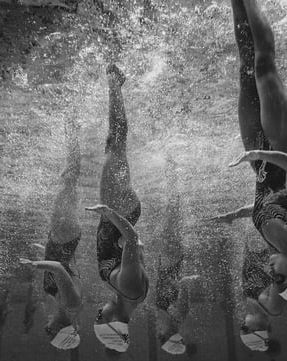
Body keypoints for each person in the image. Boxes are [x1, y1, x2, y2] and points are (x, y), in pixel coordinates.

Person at [212, 0, 287, 304]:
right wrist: (254, 156)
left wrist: (237, 214)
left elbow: (270, 200)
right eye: (278, 278)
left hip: (259, 159)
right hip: (282, 146)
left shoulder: (277, 245)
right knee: (264, 66)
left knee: (246, 70)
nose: (268, 273)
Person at [86, 64, 148, 353]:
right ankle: (115, 83)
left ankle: (115, 84)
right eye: (100, 317)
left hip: (117, 215)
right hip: (117, 212)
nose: (98, 312)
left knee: (115, 144)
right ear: (112, 322)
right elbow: (134, 241)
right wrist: (111, 214)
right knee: (116, 143)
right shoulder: (130, 290)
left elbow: (135, 249)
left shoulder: (128, 297)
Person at [19, 122, 83, 350]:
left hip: (60, 240)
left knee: (66, 183)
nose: (46, 326)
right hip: (65, 236)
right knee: (68, 181)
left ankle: (71, 133)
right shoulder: (70, 304)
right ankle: (73, 130)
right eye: (49, 331)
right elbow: (58, 267)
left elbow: (64, 266)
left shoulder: (63, 307)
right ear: (59, 330)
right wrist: (36, 263)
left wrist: (43, 249)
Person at [154, 163, 199, 355]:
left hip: (167, 261)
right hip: (172, 260)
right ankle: (172, 171)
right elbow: (184, 285)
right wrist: (181, 281)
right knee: (172, 213)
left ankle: (172, 174)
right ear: (168, 335)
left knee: (171, 214)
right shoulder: (176, 315)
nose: (158, 334)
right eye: (160, 337)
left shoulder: (168, 316)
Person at [239, 248, 287, 352]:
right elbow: (282, 272)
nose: (242, 324)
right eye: (244, 328)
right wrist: (268, 269)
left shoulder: (249, 301)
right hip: (268, 244)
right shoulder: (272, 308)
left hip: (253, 245)